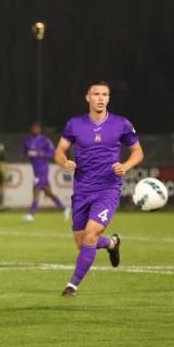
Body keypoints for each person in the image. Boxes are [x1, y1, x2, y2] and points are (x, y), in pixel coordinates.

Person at [54, 80, 144, 297]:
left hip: (108, 189)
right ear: (87, 97)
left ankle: (72, 286)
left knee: (91, 234)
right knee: (81, 242)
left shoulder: (121, 124)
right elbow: (59, 151)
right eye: (96, 94)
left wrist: (125, 166)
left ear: (109, 98)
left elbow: (138, 153)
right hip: (82, 190)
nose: (101, 98)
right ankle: (112, 243)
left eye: (105, 94)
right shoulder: (74, 124)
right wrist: (63, 162)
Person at [21, 122, 68, 221]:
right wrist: (23, 156)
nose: (35, 130)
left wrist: (41, 153)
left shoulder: (45, 141)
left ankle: (31, 214)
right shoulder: (28, 140)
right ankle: (64, 207)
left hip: (42, 168)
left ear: (39, 130)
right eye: (33, 128)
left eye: (36, 128)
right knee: (47, 191)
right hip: (35, 169)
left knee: (36, 189)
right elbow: (24, 152)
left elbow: (52, 154)